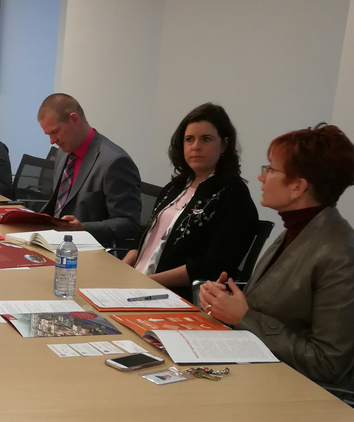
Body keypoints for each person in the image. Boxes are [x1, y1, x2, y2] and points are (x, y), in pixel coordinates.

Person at [199, 124, 354, 395]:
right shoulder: (297, 230)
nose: (261, 177)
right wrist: (227, 299)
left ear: (297, 187)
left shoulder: (340, 253)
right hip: (261, 374)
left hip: (299, 395)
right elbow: (281, 306)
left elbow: (328, 363)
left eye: (270, 169)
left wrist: (243, 316)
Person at [123, 103, 257, 299]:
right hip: (136, 284)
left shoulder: (234, 195)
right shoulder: (175, 187)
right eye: (189, 139)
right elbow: (144, 236)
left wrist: (147, 283)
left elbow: (213, 264)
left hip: (174, 295)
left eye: (206, 139)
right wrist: (122, 270)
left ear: (224, 145)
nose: (196, 146)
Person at [36, 93, 142, 248]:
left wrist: (84, 228)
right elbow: (58, 206)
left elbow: (129, 224)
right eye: (48, 134)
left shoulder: (115, 162)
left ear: (74, 119)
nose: (52, 141)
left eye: (55, 131)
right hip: (53, 242)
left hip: (89, 250)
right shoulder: (63, 153)